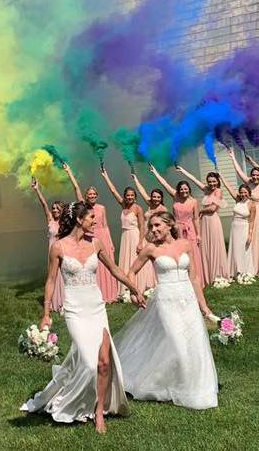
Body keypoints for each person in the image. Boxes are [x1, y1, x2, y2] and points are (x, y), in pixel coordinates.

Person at [21, 201, 145, 434]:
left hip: (96, 307)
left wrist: (135, 289)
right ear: (79, 220)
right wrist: (46, 312)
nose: (95, 221)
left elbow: (115, 270)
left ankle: (99, 412)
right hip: (75, 310)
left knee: (105, 362)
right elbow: (50, 281)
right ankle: (74, 399)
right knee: (90, 363)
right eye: (91, 218)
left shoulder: (96, 243)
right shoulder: (58, 247)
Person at [114, 211, 218, 409]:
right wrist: (134, 292)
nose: (153, 230)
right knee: (178, 343)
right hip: (166, 300)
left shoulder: (186, 244)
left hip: (187, 298)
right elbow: (131, 272)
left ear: (169, 225)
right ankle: (173, 385)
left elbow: (194, 278)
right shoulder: (151, 249)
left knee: (195, 343)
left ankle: (197, 387)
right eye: (151, 226)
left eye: (157, 225)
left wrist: (204, 307)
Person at [62, 164, 119, 303]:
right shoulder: (84, 208)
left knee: (107, 265)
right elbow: (76, 188)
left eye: (94, 194)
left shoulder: (102, 208)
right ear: (86, 197)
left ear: (97, 196)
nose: (92, 196)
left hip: (103, 236)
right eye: (89, 194)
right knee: (93, 265)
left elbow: (105, 225)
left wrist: (110, 243)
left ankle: (110, 294)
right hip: (90, 237)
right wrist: (69, 172)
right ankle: (96, 293)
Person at [149, 164, 207, 288]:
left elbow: (196, 219)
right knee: (179, 254)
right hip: (177, 229)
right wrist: (155, 172)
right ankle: (181, 279)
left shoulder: (194, 202)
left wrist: (198, 235)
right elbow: (164, 184)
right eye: (181, 189)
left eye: (186, 189)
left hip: (190, 230)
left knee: (192, 254)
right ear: (178, 190)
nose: (183, 191)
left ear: (189, 190)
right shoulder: (175, 197)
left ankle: (195, 280)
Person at [100, 168, 155, 293]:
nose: (129, 197)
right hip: (125, 236)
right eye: (127, 195)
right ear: (125, 197)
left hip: (135, 236)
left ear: (135, 197)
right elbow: (113, 191)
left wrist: (141, 242)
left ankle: (140, 285)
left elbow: (142, 227)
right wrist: (105, 176)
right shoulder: (123, 206)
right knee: (126, 261)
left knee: (136, 260)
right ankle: (127, 287)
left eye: (132, 195)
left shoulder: (138, 208)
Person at [174, 164, 230, 282]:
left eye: (214, 181)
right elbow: (194, 180)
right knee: (205, 247)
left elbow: (213, 208)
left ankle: (218, 274)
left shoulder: (218, 191)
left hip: (212, 220)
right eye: (209, 182)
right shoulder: (206, 190)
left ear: (217, 182)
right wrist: (183, 170)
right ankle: (208, 274)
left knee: (214, 245)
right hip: (204, 221)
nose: (212, 184)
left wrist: (200, 211)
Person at [228, 148, 259, 274]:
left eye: (257, 175)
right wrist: (233, 157)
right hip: (247, 214)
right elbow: (238, 171)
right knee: (249, 239)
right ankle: (249, 265)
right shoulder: (248, 183)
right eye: (253, 175)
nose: (255, 177)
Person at [31, 179, 65, 313]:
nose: (55, 210)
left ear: (62, 210)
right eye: (54, 208)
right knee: (52, 275)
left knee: (63, 275)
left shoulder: (65, 222)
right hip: (51, 251)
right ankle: (52, 302)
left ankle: (63, 302)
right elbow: (44, 204)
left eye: (58, 209)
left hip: (62, 251)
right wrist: (37, 189)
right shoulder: (50, 220)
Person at [219, 174, 256, 277]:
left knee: (243, 250)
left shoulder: (251, 204)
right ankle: (236, 271)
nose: (243, 194)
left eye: (245, 192)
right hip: (235, 227)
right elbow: (229, 187)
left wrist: (250, 235)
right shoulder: (237, 200)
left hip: (244, 228)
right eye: (241, 192)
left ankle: (245, 270)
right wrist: (221, 177)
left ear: (249, 193)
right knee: (235, 250)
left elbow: (252, 221)